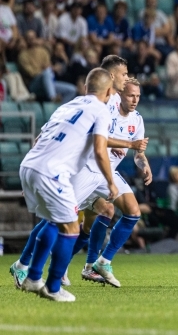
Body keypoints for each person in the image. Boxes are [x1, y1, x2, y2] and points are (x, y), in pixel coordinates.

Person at [10, 68, 116, 302]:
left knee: (54, 221)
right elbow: (100, 150)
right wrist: (111, 182)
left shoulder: (68, 105)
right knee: (71, 228)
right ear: (108, 91)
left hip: (30, 164)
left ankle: (32, 276)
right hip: (52, 172)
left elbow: (40, 138)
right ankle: (53, 286)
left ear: (86, 88)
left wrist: (34, 175)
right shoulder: (101, 110)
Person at [70, 77, 151, 287]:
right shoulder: (108, 108)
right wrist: (121, 143)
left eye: (138, 96)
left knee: (132, 211)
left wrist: (144, 165)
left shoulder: (137, 120)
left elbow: (138, 153)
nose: (135, 100)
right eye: (131, 95)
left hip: (108, 173)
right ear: (121, 95)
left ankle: (101, 262)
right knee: (68, 219)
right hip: (88, 168)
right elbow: (98, 137)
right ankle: (32, 264)